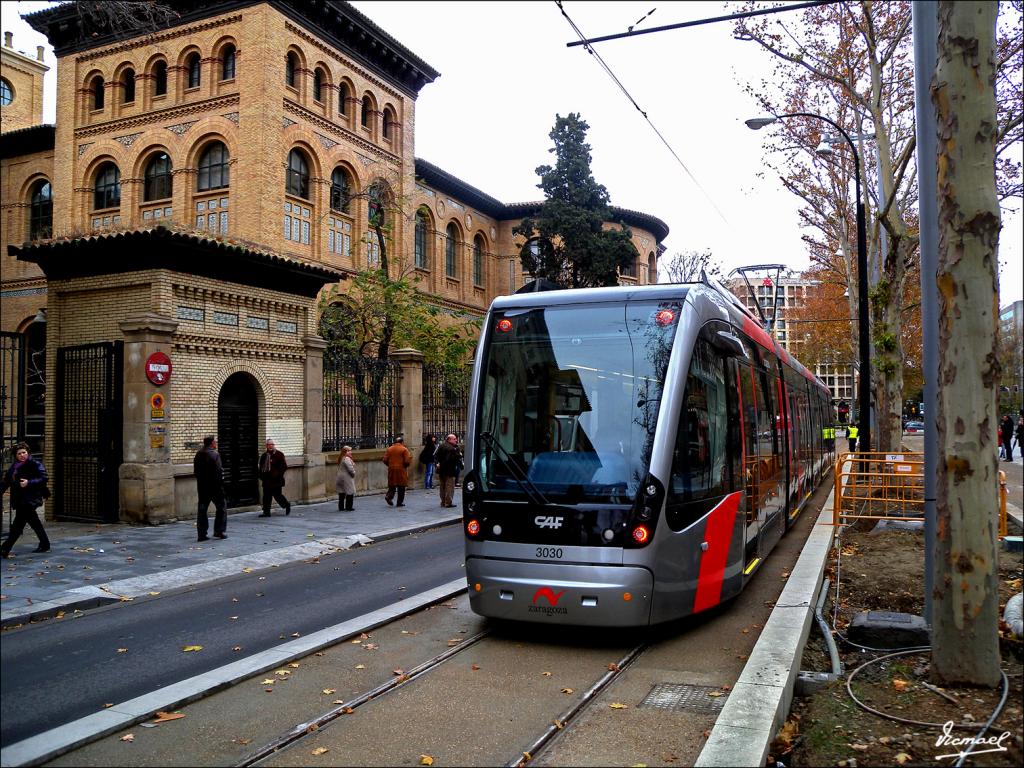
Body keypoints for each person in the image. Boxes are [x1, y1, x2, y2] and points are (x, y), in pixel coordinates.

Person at [0, 442, 50, 558]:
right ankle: (45, 543)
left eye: (24, 452)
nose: (22, 455)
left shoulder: (34, 464)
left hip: (30, 499)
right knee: (34, 522)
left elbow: (44, 478)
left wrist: (29, 483)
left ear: (28, 453)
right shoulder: (14, 466)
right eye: (19, 453)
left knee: (18, 525)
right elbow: (7, 481)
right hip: (19, 499)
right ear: (15, 455)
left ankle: (5, 548)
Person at [193, 435, 227, 540]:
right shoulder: (214, 454)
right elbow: (219, 472)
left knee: (202, 510)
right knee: (221, 508)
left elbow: (196, 472)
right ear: (212, 443)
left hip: (202, 487)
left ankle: (201, 534)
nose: (216, 443)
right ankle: (219, 531)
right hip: (215, 488)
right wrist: (221, 485)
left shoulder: (198, 454)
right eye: (215, 442)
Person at [257, 438, 291, 517]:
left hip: (276, 480)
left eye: (272, 444)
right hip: (267, 480)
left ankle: (286, 505)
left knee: (277, 496)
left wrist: (277, 474)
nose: (270, 446)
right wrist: (261, 476)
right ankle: (266, 512)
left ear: (274, 445)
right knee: (266, 497)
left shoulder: (279, 454)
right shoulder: (264, 455)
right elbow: (261, 467)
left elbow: (284, 467)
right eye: (269, 445)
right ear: (266, 446)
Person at [382, 435, 412, 507]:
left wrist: (390, 465)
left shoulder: (389, 449)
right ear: (402, 442)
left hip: (391, 469)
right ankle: (399, 502)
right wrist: (405, 466)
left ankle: (389, 496)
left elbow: (385, 460)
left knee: (392, 485)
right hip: (401, 470)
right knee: (401, 486)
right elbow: (407, 461)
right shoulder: (404, 449)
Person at [435, 433, 463, 508]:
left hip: (442, 470)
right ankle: (448, 502)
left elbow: (436, 456)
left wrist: (438, 464)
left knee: (443, 487)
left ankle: (443, 501)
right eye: (454, 439)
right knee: (449, 487)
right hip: (450, 470)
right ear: (449, 439)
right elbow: (457, 457)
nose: (456, 440)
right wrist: (459, 454)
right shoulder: (452, 448)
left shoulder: (441, 446)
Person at [335, 445, 356, 511]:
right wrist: (353, 474)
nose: (350, 452)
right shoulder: (346, 459)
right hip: (346, 478)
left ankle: (341, 507)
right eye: (349, 451)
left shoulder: (341, 457)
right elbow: (350, 469)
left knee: (341, 493)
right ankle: (349, 507)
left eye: (350, 450)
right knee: (350, 492)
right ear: (345, 451)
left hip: (340, 477)